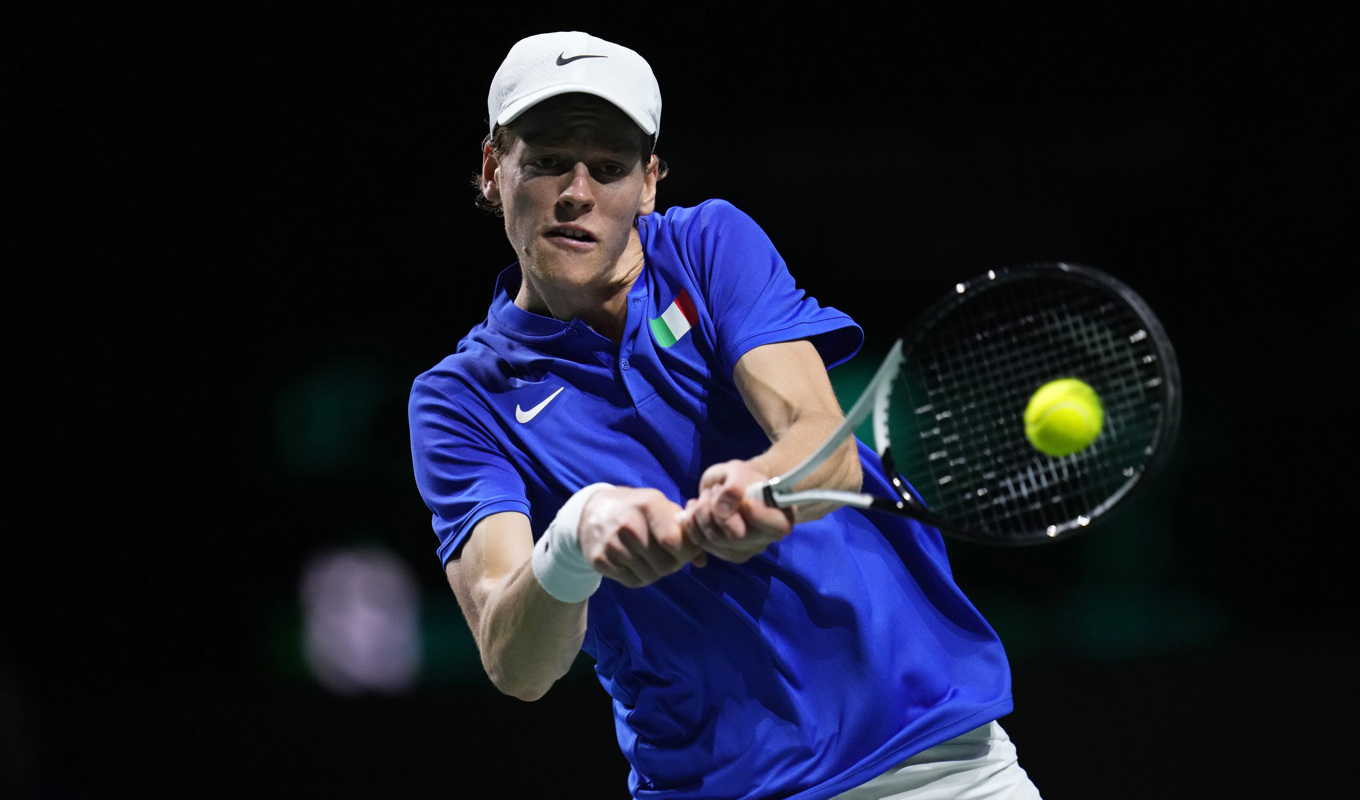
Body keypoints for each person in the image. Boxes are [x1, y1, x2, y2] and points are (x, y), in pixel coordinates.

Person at [409, 31, 1042, 800]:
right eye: (546, 161)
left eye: (607, 168)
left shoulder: (710, 247)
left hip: (930, 758)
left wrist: (760, 490)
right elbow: (516, 663)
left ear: (649, 183)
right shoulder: (459, 400)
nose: (576, 192)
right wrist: (573, 540)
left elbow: (822, 445)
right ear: (491, 168)